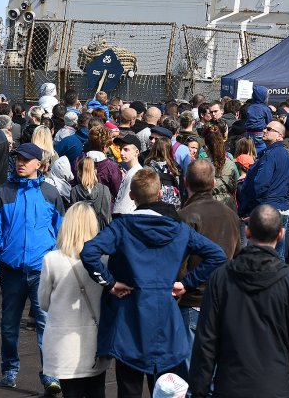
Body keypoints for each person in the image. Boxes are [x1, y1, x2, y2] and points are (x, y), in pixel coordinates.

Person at [80, 168, 225, 397]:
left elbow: (89, 253)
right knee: (166, 390)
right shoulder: (179, 230)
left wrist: (109, 283)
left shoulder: (121, 227)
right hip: (165, 316)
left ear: (131, 196)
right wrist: (186, 283)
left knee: (129, 388)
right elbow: (217, 255)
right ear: (159, 195)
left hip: (130, 316)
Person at [189, 204, 289, 398]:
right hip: (276, 388)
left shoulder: (220, 279)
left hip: (229, 388)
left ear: (247, 232)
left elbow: (205, 344)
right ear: (281, 235)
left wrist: (199, 391)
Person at [0, 142, 67, 393]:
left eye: (25, 159)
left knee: (46, 324)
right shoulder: (4, 192)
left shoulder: (51, 193)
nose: (20, 163)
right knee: (9, 324)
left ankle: (50, 374)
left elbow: (63, 232)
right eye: (18, 158)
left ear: (38, 165)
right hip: (12, 270)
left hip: (43, 270)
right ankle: (9, 370)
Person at [38, 202, 110, 397]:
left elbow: (43, 303)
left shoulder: (51, 260)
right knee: (97, 390)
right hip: (94, 340)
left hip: (63, 342)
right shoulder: (104, 260)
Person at [177, 159, 241, 369]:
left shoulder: (184, 216)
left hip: (192, 299)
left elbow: (179, 262)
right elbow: (238, 256)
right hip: (222, 297)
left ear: (186, 182)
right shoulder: (230, 215)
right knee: (216, 369)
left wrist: (182, 284)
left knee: (192, 372)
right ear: (213, 183)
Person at [237, 120, 289, 260]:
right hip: (281, 207)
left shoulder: (271, 155)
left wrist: (252, 209)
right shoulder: (285, 156)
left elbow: (260, 184)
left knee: (259, 253)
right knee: (277, 255)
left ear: (280, 136)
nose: (264, 130)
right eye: (265, 128)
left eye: (269, 129)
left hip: (268, 209)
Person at [71, 157, 112, 228]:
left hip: (82, 232)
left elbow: (74, 218)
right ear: (95, 171)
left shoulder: (75, 191)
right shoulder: (104, 189)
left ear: (79, 172)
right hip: (101, 233)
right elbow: (107, 216)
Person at [112, 133, 143, 214]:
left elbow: (124, 207)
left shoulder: (135, 174)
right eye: (121, 149)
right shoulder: (131, 171)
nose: (121, 153)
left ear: (136, 152)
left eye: (126, 149)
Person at [244, 85, 272, 155]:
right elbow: (269, 122)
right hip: (260, 132)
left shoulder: (250, 107)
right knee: (262, 146)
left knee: (251, 148)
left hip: (249, 133)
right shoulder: (265, 108)